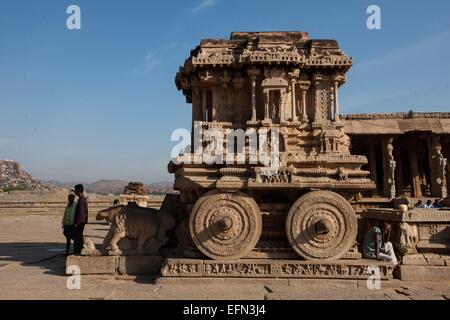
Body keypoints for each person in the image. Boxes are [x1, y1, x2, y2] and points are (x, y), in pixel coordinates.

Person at [73, 184, 88, 255]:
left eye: (75, 190)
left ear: (78, 191)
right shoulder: (81, 199)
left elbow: (81, 213)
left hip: (80, 222)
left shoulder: (81, 200)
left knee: (78, 237)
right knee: (78, 236)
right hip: (81, 221)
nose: (74, 192)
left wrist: (77, 223)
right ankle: (79, 250)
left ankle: (78, 251)